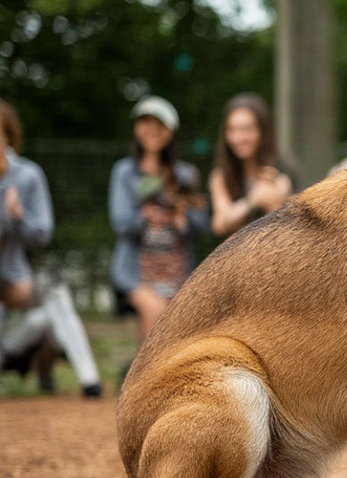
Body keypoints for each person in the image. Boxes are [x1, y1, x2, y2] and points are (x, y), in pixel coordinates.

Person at [0, 99, 103, 397]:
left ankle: (89, 379)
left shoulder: (28, 175)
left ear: (8, 136)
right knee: (38, 321)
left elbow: (42, 234)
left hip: (18, 274)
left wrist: (18, 217)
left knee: (55, 296)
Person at [109, 95, 209, 344]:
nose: (152, 129)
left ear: (170, 130)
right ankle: (145, 370)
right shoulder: (124, 173)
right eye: (145, 122)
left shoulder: (185, 174)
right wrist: (145, 213)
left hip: (177, 273)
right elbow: (122, 224)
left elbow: (202, 224)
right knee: (155, 315)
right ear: (136, 128)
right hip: (136, 274)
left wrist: (181, 218)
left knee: (177, 334)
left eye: (159, 124)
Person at [209, 93, 295, 237]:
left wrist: (278, 200)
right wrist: (253, 199)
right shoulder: (221, 173)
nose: (238, 138)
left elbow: (294, 226)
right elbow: (219, 224)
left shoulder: (285, 169)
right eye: (232, 130)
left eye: (247, 129)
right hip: (237, 250)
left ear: (263, 130)